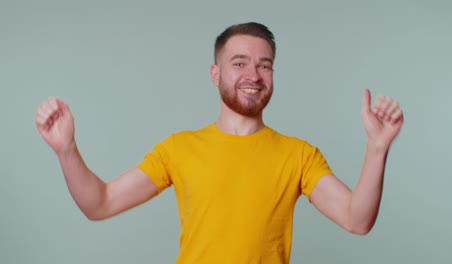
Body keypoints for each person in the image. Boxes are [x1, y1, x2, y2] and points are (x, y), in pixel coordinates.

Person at [35, 22, 404, 263]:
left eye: (265, 65)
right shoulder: (177, 149)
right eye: (239, 63)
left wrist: (377, 148)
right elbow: (99, 204)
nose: (253, 75)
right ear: (216, 73)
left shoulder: (299, 156)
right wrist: (66, 150)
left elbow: (357, 220)